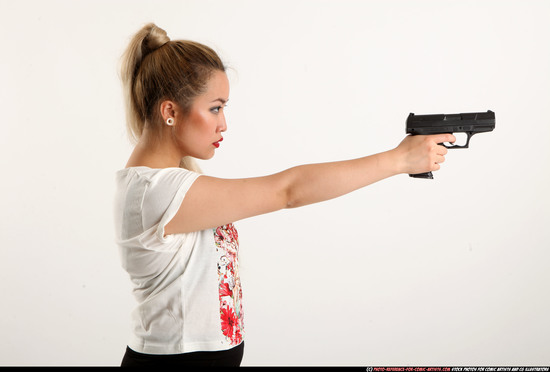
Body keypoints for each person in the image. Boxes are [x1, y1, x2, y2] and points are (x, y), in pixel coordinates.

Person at [113, 23, 455, 367]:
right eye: (215, 108)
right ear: (170, 112)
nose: (224, 124)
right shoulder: (156, 192)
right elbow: (288, 191)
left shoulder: (169, 184)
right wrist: (398, 160)